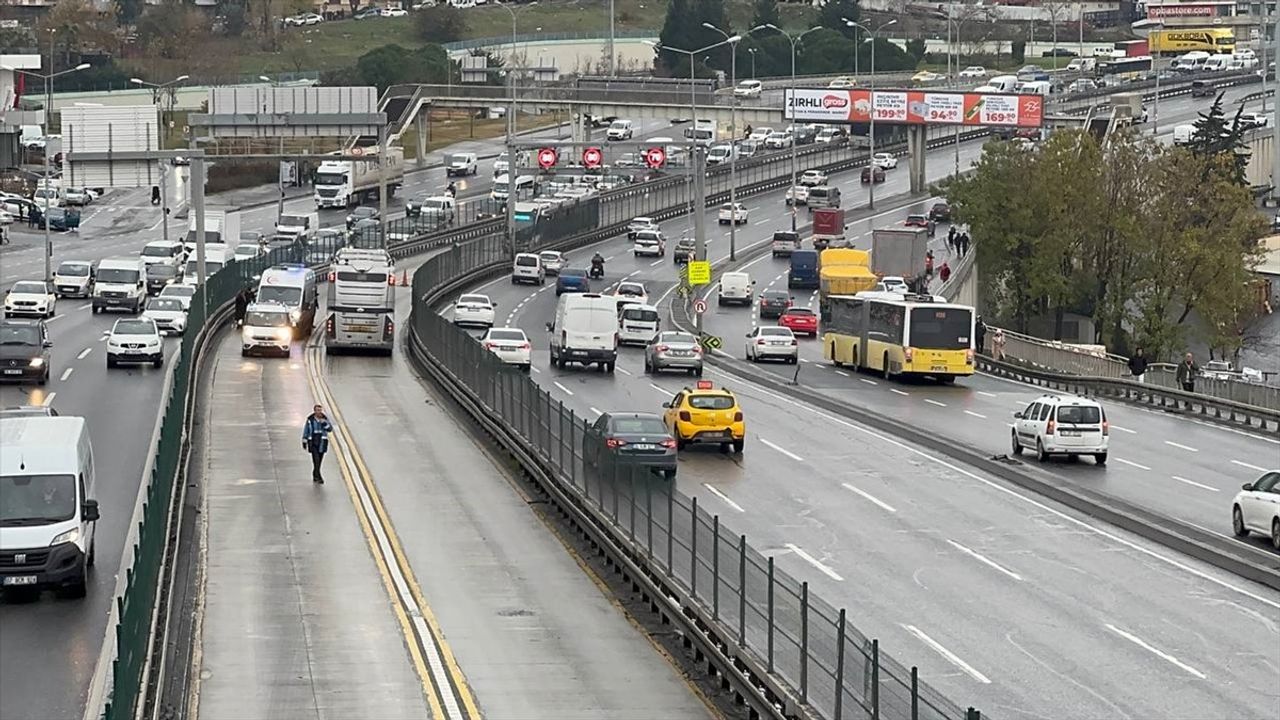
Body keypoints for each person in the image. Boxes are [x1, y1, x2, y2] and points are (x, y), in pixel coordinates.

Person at [302, 404, 333, 484]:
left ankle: (315, 474)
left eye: (320, 410)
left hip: (322, 441)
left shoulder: (325, 419)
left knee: (320, 460)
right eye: (317, 410)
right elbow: (306, 429)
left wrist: (324, 424)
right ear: (314, 411)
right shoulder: (310, 420)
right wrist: (304, 440)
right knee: (316, 460)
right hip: (313, 441)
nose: (319, 412)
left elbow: (330, 429)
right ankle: (318, 476)